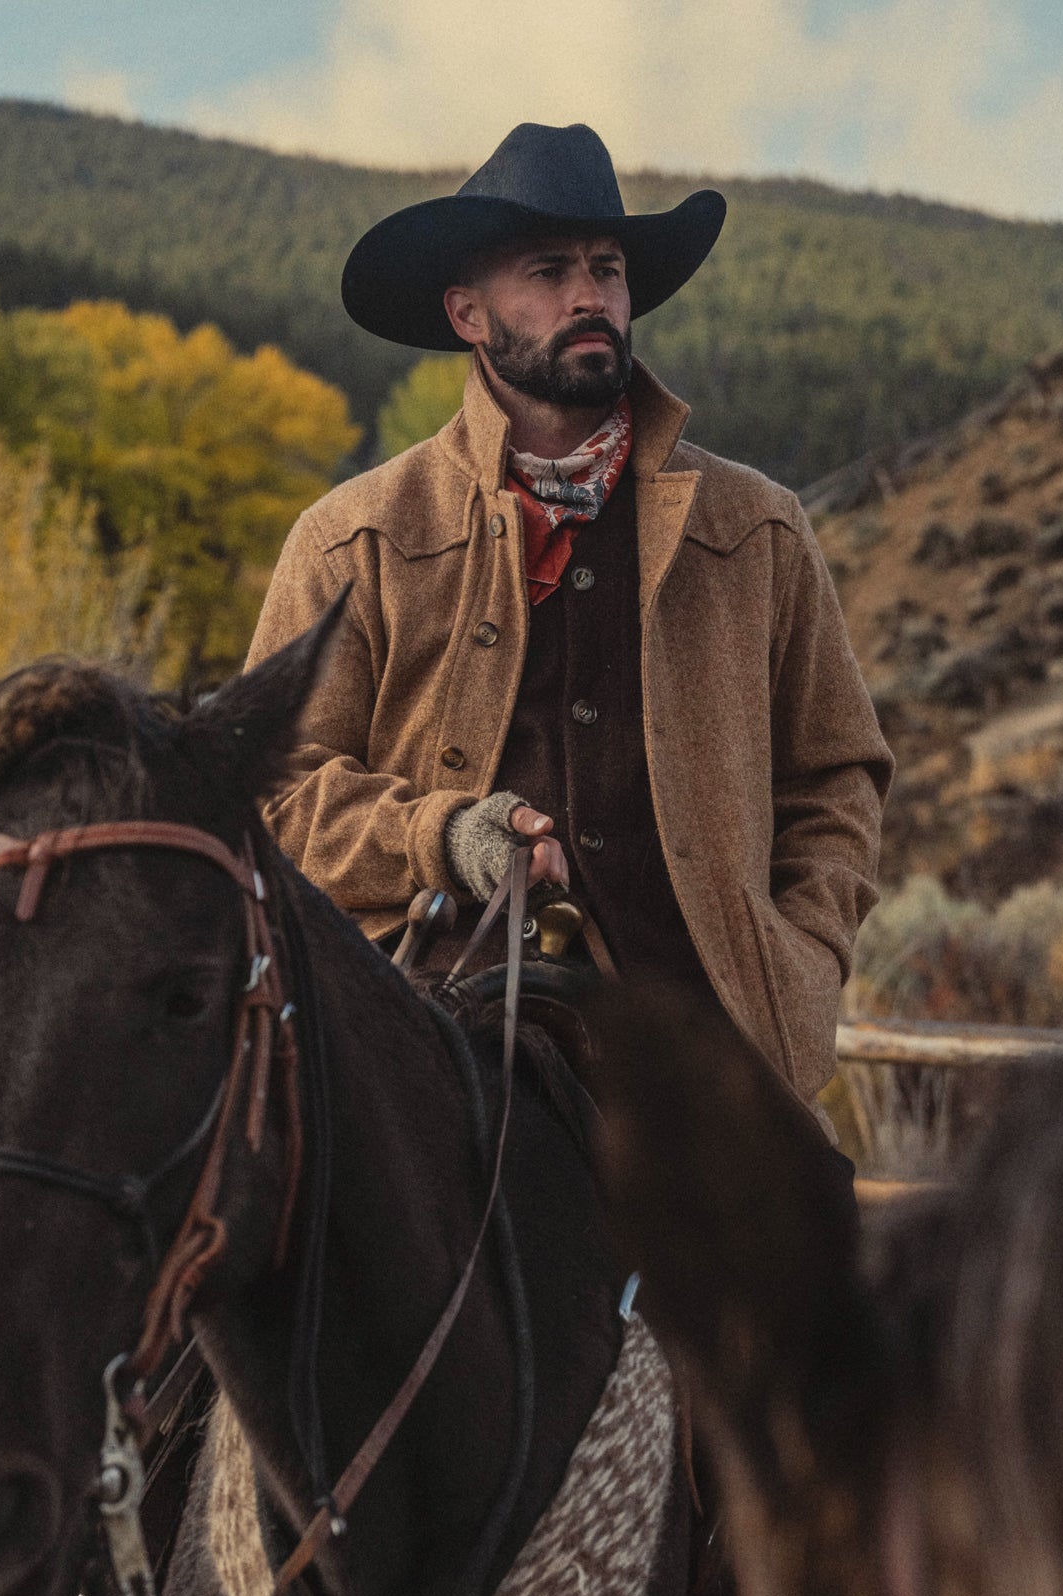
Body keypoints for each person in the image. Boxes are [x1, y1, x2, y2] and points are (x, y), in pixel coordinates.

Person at [247, 121, 893, 1107]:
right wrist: (441, 833)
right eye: (548, 272)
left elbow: (835, 778)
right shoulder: (354, 538)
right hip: (427, 1077)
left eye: (606, 269)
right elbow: (273, 799)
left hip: (713, 1067)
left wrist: (797, 963)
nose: (589, 296)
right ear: (468, 312)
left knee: (817, 1257)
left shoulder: (755, 528)